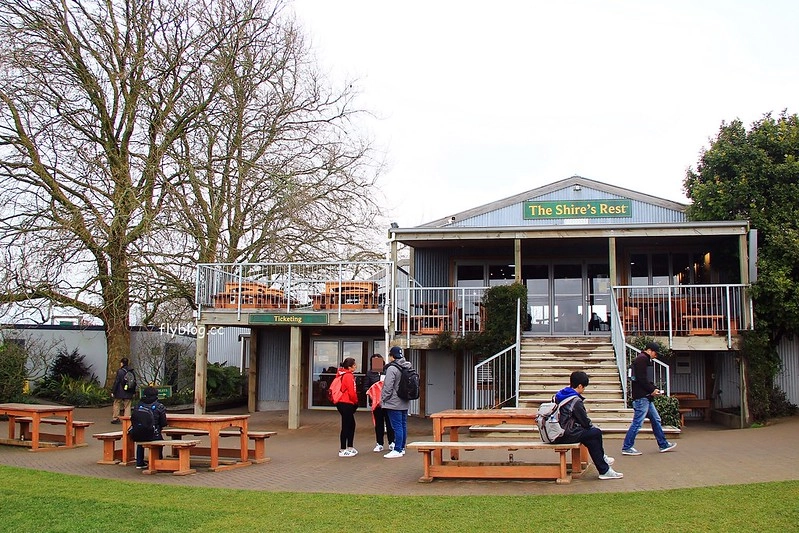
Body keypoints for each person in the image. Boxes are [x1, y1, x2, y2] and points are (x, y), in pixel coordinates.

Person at [552, 371, 622, 480]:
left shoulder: (560, 395)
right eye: (583, 388)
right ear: (579, 385)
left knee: (591, 439)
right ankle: (604, 464)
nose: (583, 390)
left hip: (557, 432)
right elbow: (585, 422)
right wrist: (589, 423)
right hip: (565, 434)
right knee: (595, 432)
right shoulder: (575, 400)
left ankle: (605, 470)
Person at [622, 342, 678, 455]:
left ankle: (663, 444)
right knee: (638, 423)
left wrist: (652, 390)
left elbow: (642, 379)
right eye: (655, 354)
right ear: (650, 350)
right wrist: (652, 390)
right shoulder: (642, 359)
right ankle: (627, 447)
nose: (655, 356)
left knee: (655, 419)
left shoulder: (641, 359)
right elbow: (642, 379)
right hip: (642, 397)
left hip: (645, 397)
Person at [381, 346, 411, 459]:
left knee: (397, 426)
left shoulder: (392, 368)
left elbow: (388, 386)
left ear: (392, 356)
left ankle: (397, 449)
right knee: (403, 425)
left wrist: (383, 398)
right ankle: (402, 448)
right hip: (405, 400)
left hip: (393, 402)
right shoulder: (407, 366)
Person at [365, 353, 395, 452]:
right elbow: (365, 387)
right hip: (376, 403)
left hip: (387, 402)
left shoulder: (387, 371)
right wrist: (371, 391)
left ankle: (392, 442)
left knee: (390, 423)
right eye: (374, 361)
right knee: (379, 424)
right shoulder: (370, 373)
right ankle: (379, 443)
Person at [133, 386, 168, 469]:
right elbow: (163, 423)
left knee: (140, 441)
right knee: (160, 443)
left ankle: (139, 462)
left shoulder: (138, 405)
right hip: (154, 434)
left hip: (139, 434)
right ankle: (158, 461)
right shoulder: (159, 406)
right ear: (156, 395)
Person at [334, 357, 359, 457]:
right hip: (346, 403)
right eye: (354, 365)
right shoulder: (348, 376)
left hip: (343, 402)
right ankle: (343, 449)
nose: (356, 366)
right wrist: (356, 401)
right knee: (346, 425)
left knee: (351, 424)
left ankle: (350, 446)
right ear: (349, 367)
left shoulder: (343, 374)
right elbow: (351, 391)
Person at [110, 357, 135, 424]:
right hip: (129, 391)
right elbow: (134, 382)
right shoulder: (131, 371)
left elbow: (117, 382)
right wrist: (133, 391)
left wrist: (113, 391)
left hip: (119, 391)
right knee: (127, 405)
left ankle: (116, 418)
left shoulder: (120, 371)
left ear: (121, 363)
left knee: (117, 403)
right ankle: (127, 419)